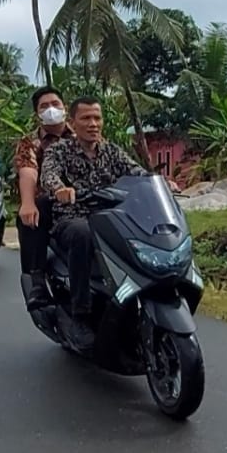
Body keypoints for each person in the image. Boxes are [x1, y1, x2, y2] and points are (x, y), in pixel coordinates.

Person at [40, 96, 179, 348]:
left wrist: (161, 183)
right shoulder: (59, 150)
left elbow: (137, 172)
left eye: (97, 118)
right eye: (86, 118)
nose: (93, 124)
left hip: (112, 218)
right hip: (73, 217)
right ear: (73, 122)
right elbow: (48, 174)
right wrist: (60, 188)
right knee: (82, 233)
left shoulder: (111, 151)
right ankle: (80, 315)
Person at [14, 86, 74, 311]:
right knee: (32, 214)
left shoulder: (82, 135)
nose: (51, 109)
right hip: (50, 203)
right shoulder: (30, 142)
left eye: (55, 104)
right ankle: (36, 281)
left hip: (86, 199)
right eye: (44, 106)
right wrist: (28, 203)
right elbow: (28, 171)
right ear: (37, 113)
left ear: (64, 107)